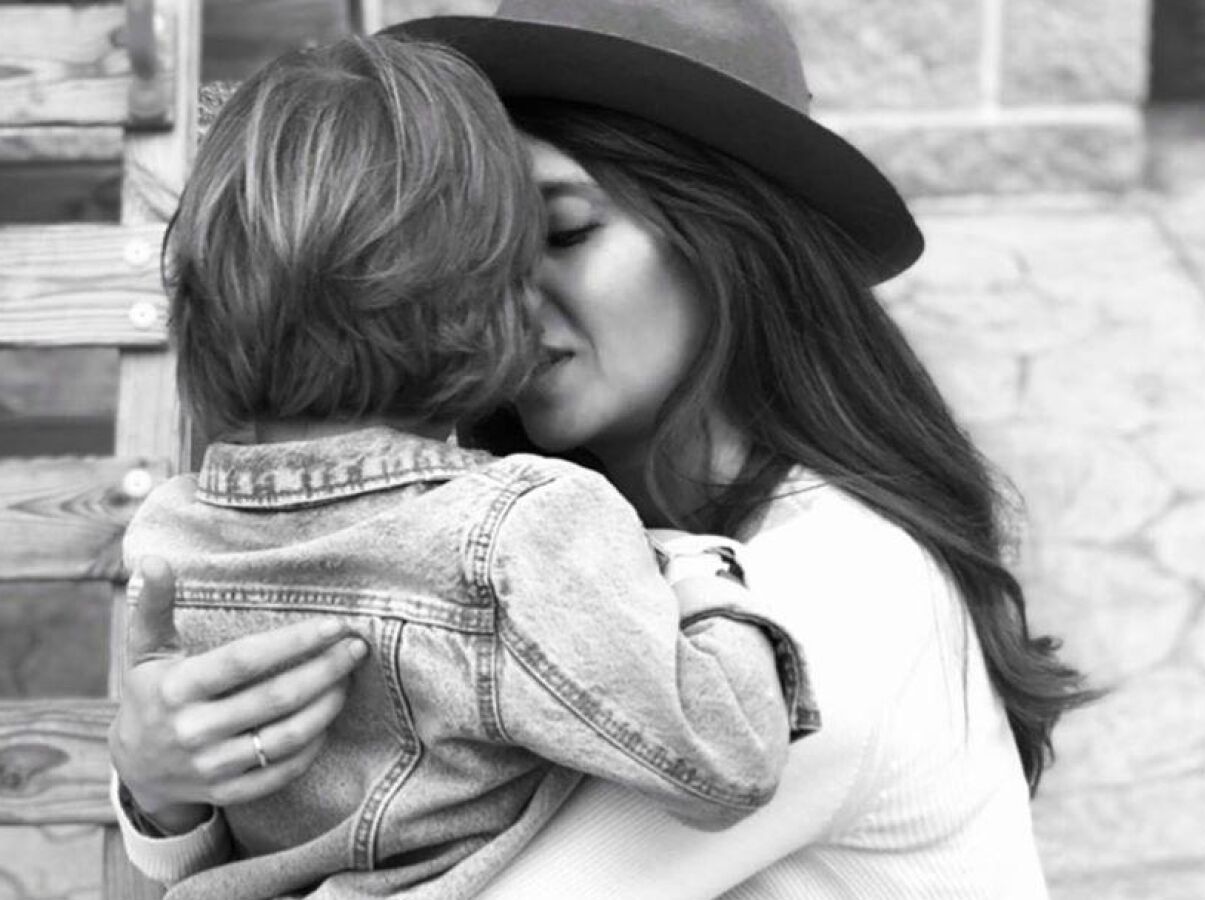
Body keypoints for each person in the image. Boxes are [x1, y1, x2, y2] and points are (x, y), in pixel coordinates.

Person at [112, 0, 1096, 896]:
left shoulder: (829, 599)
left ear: (731, 243)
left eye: (564, 232)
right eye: (475, 249)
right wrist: (166, 789)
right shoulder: (497, 539)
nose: (501, 296)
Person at [111, 33, 815, 900]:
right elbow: (727, 759)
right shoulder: (519, 529)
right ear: (482, 296)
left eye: (565, 233)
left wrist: (161, 804)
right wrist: (695, 567)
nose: (537, 294)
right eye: (523, 251)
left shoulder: (173, 533)